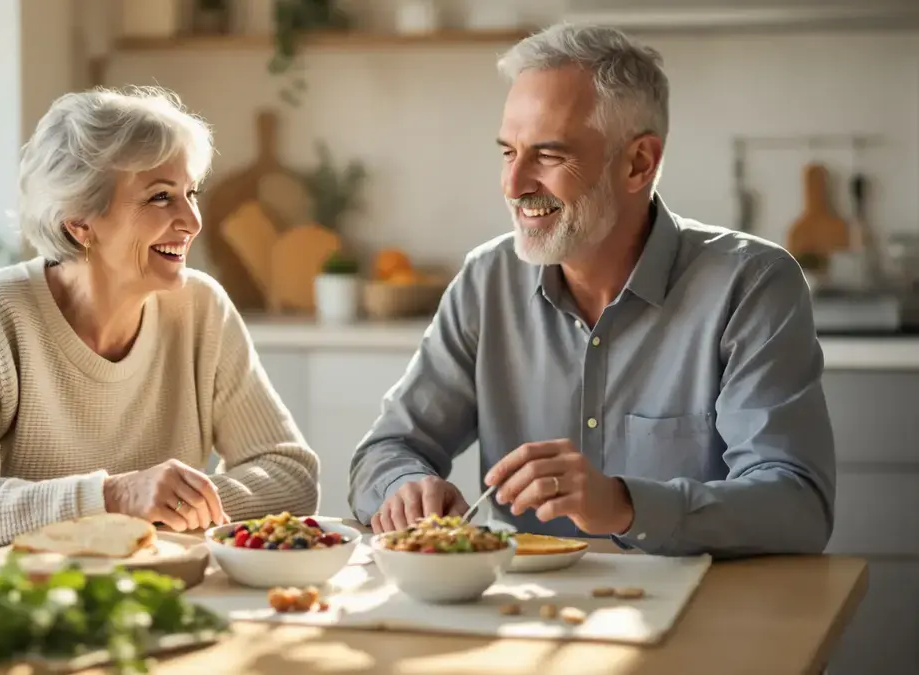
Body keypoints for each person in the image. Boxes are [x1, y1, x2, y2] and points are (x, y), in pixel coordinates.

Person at [348, 24, 836, 558]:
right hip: (518, 615)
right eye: (509, 152)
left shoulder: (751, 284)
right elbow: (389, 449)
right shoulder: (488, 281)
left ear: (638, 163)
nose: (513, 187)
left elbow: (797, 506)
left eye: (549, 156)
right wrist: (402, 490)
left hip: (698, 616)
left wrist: (626, 505)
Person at [0, 86, 320, 557]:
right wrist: (112, 499)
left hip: (127, 596)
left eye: (190, 193)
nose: (192, 220)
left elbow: (289, 474)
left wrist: (174, 505)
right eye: (161, 197)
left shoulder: (201, 309)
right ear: (80, 223)